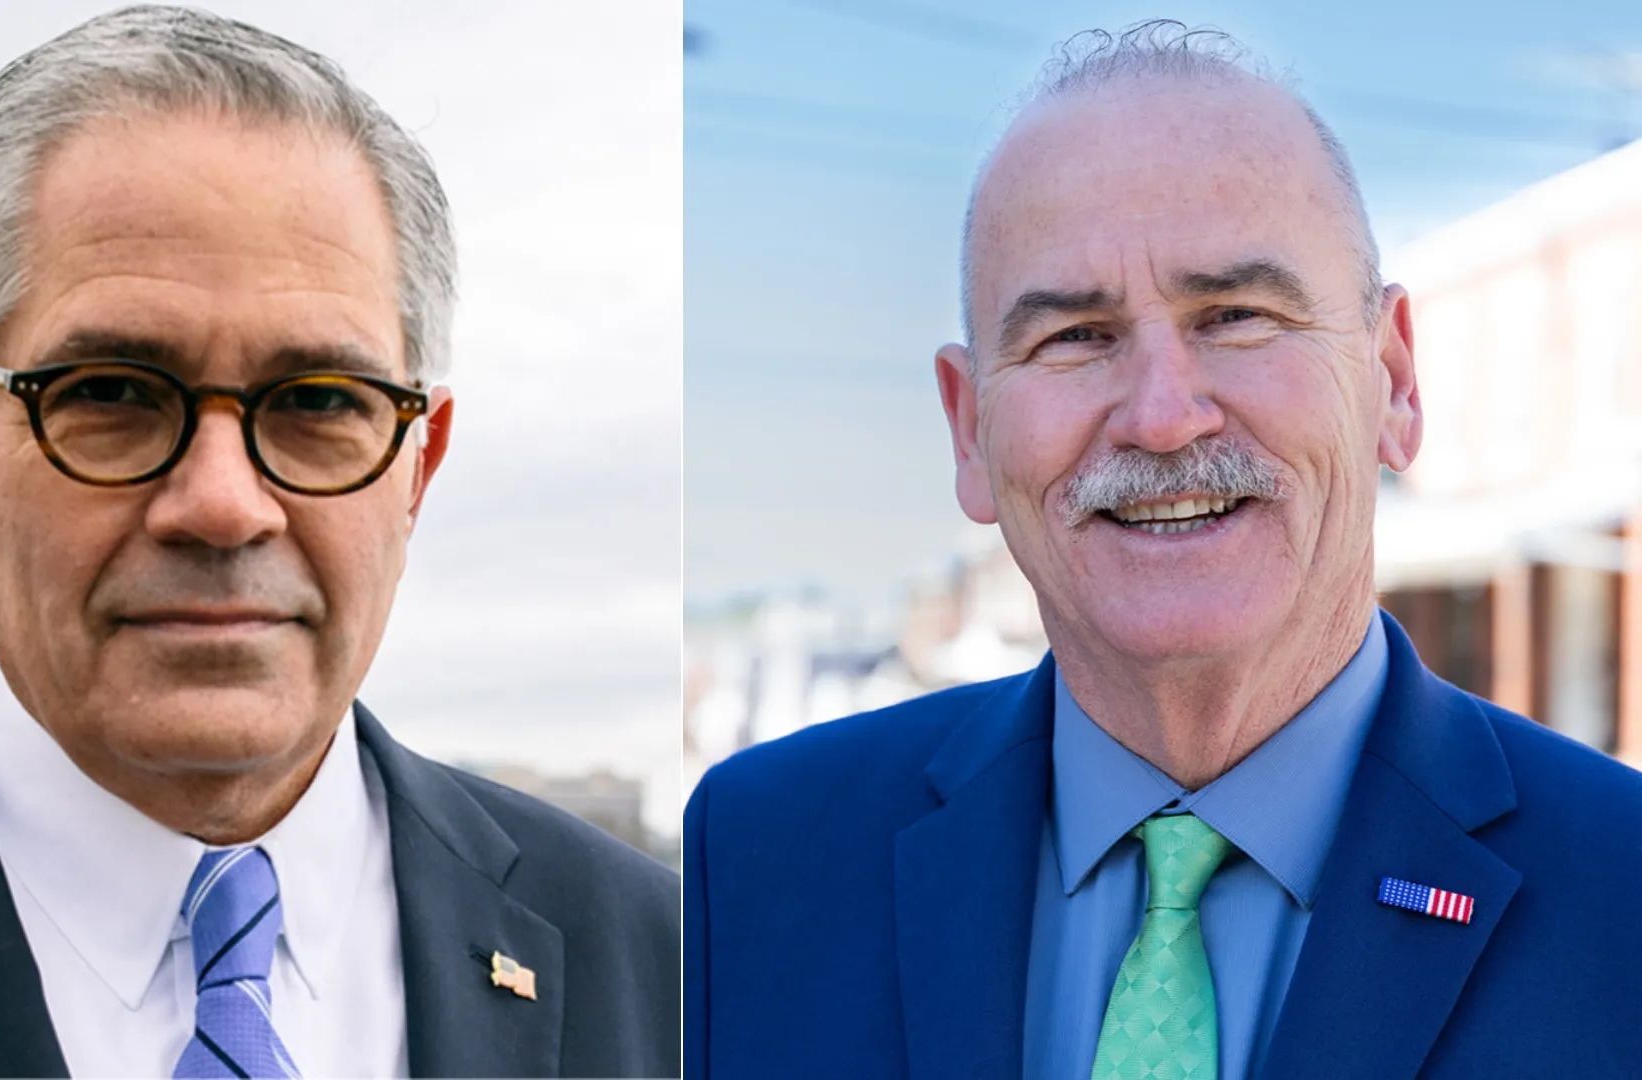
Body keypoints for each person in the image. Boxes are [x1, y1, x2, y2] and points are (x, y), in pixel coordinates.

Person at [0, 7, 676, 1077]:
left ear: (418, 467)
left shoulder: (661, 957)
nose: (224, 506)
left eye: (318, 401)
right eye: (112, 392)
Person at [684, 22, 1642, 1079]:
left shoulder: (1623, 894)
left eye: (1236, 315)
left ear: (1395, 382)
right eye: (1074, 338)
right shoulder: (753, 865)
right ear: (969, 431)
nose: (1161, 416)